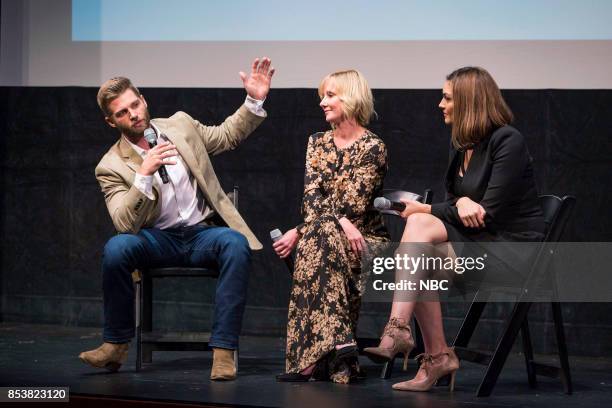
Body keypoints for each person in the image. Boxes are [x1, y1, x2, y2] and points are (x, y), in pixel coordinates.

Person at [78, 57, 275, 381]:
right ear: (112, 122)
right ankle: (115, 344)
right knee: (117, 249)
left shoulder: (179, 125)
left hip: (202, 234)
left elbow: (225, 136)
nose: (134, 114)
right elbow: (124, 224)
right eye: (122, 113)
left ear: (143, 99)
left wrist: (254, 100)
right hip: (158, 239)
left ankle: (224, 352)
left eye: (135, 105)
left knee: (235, 245)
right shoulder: (110, 165)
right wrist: (143, 174)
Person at [363, 66, 545, 392]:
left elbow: (487, 215)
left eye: (447, 98)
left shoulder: (507, 140)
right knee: (416, 258)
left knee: (418, 226)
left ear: (469, 102)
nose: (440, 104)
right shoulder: (461, 144)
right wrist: (459, 202)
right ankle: (432, 354)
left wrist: (439, 207)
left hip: (513, 253)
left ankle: (403, 333)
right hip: (478, 245)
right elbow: (457, 208)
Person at [273, 69, 389, 383]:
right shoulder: (316, 142)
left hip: (364, 239)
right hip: (330, 237)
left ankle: (308, 361)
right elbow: (310, 197)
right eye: (322, 96)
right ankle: (340, 348)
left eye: (331, 95)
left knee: (314, 244)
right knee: (322, 240)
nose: (323, 102)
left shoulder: (373, 147)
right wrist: (330, 223)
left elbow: (354, 206)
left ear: (351, 97)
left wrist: (300, 230)